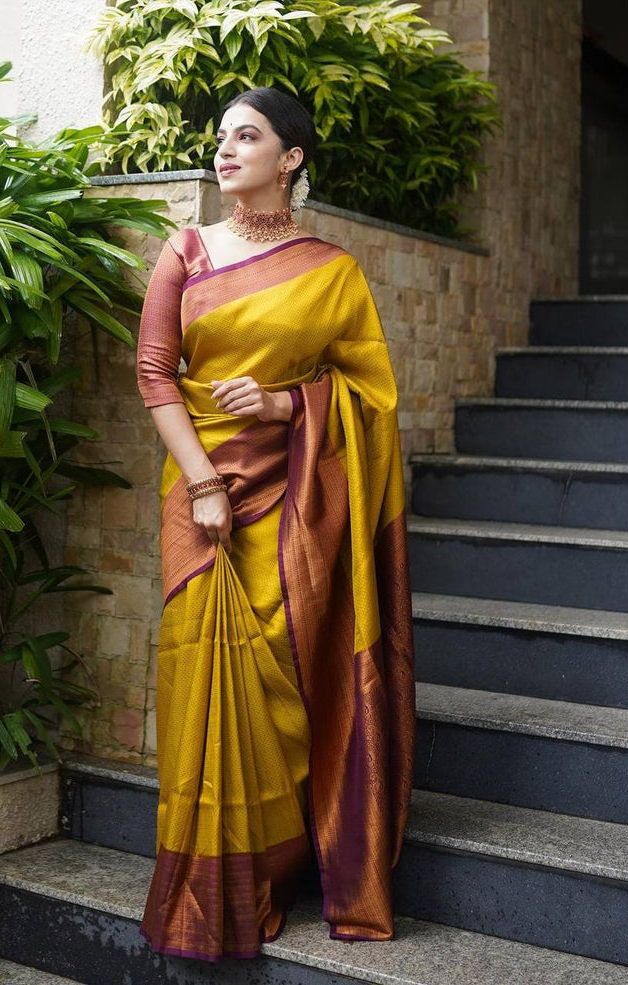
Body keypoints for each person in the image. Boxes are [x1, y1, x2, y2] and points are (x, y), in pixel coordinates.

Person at [135, 85, 416, 963]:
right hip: (202, 494)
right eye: (220, 137)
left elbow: (371, 398)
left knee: (281, 696)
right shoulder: (186, 248)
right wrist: (205, 482)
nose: (223, 151)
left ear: (290, 158)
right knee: (202, 681)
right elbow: (154, 374)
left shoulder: (332, 271)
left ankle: (273, 867)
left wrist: (291, 402)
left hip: (295, 507)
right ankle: (206, 890)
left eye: (246, 137)